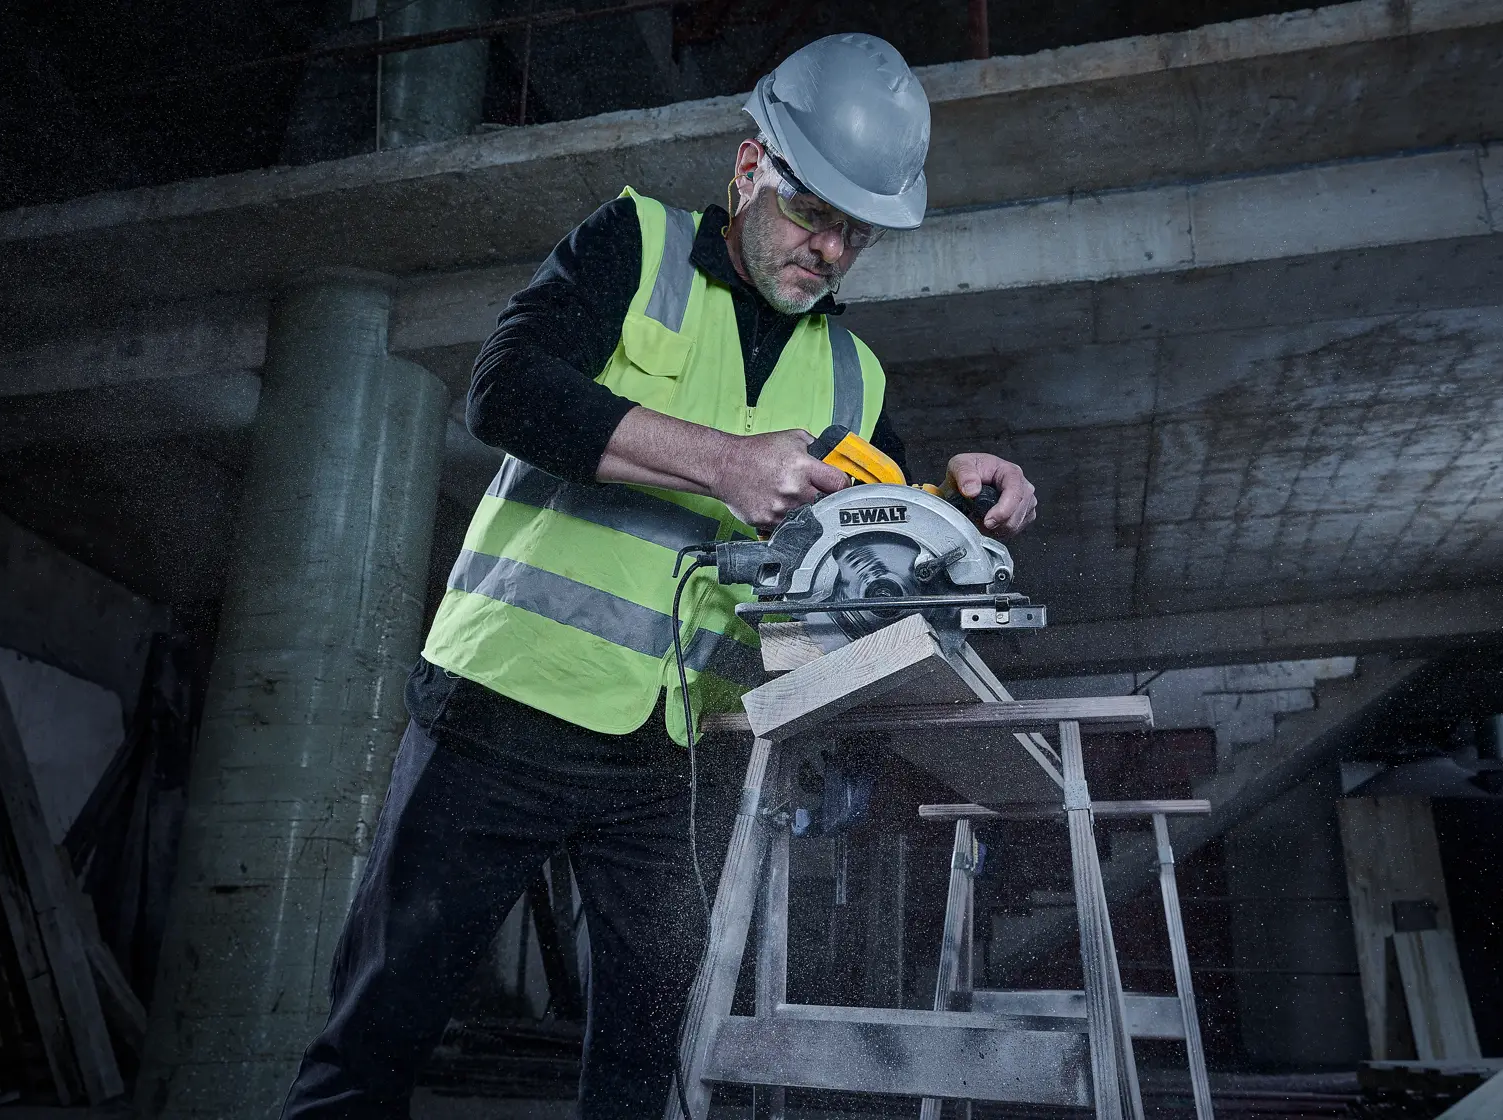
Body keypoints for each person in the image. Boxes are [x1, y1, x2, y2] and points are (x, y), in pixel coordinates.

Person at [280, 32, 1037, 1119]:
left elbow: (883, 552)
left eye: (857, 231)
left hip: (679, 769)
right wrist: (724, 465)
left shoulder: (855, 375)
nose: (831, 249)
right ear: (747, 170)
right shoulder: (632, 243)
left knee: (646, 1071)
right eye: (812, 212)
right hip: (505, 714)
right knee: (374, 1040)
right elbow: (505, 392)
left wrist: (960, 495)